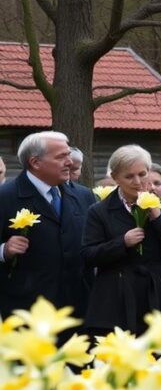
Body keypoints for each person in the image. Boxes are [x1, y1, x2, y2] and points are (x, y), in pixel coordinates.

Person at [81, 145, 161, 336]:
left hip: (155, 297)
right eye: (129, 176)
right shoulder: (99, 212)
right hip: (114, 298)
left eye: (142, 174)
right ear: (115, 178)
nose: (137, 181)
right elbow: (88, 255)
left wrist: (158, 218)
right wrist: (122, 243)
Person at [0, 131, 95, 320]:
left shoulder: (84, 196)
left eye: (69, 155)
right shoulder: (5, 197)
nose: (70, 162)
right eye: (61, 157)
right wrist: (4, 250)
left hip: (79, 309)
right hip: (28, 311)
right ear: (35, 162)